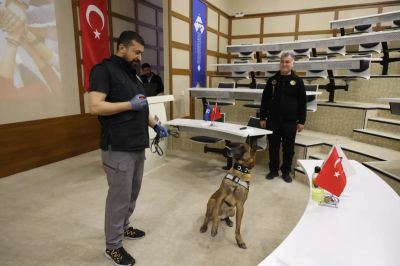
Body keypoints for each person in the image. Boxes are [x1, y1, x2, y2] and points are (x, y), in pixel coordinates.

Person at [88, 30, 169, 266]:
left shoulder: (134, 76)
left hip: (137, 144)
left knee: (132, 193)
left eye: (141, 53)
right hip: (118, 147)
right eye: (136, 51)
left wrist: (155, 124)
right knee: (119, 198)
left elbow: (140, 107)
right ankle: (112, 246)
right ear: (122, 48)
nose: (139, 57)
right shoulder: (103, 71)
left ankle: (124, 226)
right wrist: (129, 105)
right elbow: (95, 106)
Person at [259, 51, 306, 183]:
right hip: (273, 121)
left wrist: (301, 121)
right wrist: (263, 118)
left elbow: (302, 103)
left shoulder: (298, 81)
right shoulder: (272, 81)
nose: (284, 64)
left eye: (287, 62)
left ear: (292, 63)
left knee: (288, 149)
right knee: (273, 147)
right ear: (279, 63)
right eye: (282, 62)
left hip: (290, 122)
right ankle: (273, 170)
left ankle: (286, 172)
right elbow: (265, 100)